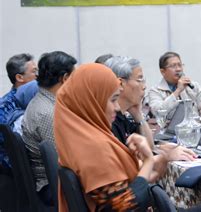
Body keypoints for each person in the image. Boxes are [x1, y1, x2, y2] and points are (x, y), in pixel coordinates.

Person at [54, 63, 169, 211]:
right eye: (113, 100)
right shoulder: (94, 148)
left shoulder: (79, 137)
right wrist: (148, 162)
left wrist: (145, 172)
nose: (116, 107)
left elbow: (116, 192)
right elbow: (124, 207)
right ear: (92, 102)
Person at [21, 51, 77, 205]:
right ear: (65, 78)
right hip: (52, 185)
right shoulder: (48, 113)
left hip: (53, 179)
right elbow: (64, 160)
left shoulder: (44, 101)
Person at [0, 53, 37, 174]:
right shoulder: (7, 107)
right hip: (17, 171)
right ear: (20, 78)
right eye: (34, 72)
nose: (38, 76)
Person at [148, 51, 201, 121]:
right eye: (173, 66)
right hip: (169, 130)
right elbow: (158, 112)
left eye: (180, 65)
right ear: (163, 71)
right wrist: (178, 91)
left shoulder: (193, 86)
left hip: (194, 128)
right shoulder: (155, 91)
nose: (178, 69)